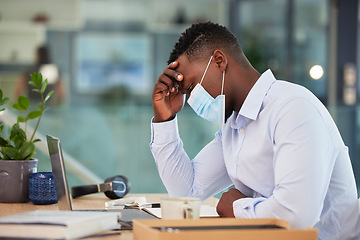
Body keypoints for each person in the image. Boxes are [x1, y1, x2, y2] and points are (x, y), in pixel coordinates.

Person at [150, 21, 359, 239]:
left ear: (219, 61)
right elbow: (187, 192)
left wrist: (237, 208)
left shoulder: (293, 108)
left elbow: (296, 218)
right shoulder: (233, 127)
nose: (192, 100)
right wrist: (164, 118)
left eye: (191, 88)